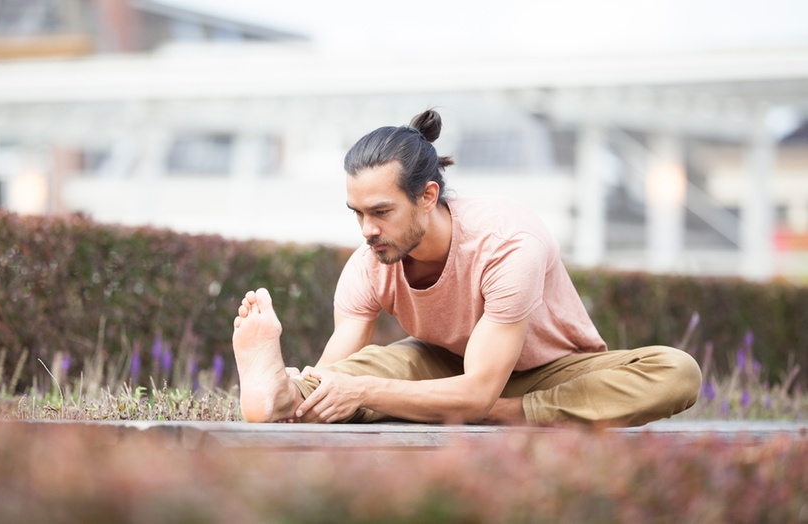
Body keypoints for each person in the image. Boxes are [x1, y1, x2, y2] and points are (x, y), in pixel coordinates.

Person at [231, 109, 701, 426]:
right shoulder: (370, 262)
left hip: (549, 374)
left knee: (677, 371)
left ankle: (512, 412)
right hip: (443, 368)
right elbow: (341, 368)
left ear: (428, 196)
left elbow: (477, 391)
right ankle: (280, 396)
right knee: (377, 364)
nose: (366, 229)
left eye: (380, 211)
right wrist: (314, 388)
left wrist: (367, 393)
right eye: (357, 213)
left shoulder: (507, 244)